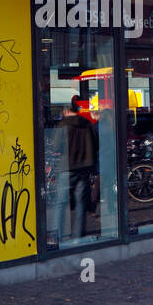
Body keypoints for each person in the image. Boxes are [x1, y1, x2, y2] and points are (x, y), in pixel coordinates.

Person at [58, 102, 98, 241]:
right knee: (81, 202)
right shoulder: (87, 124)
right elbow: (96, 143)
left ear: (66, 111)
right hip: (85, 168)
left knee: (61, 203)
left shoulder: (63, 125)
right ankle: (78, 235)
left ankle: (57, 235)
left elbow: (57, 146)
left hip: (67, 167)